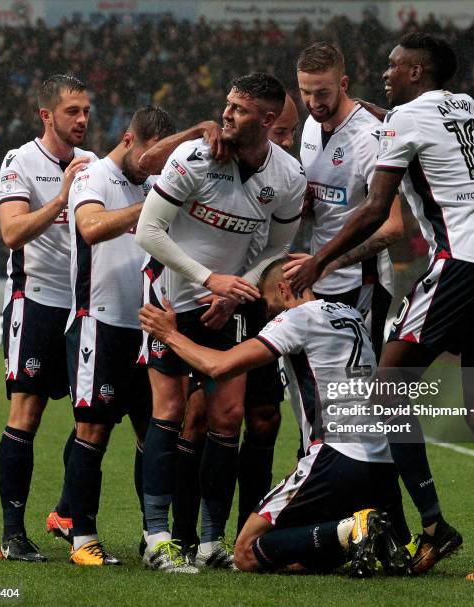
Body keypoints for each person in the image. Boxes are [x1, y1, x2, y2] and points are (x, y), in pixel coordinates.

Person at [291, 33, 474, 582]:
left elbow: (377, 207)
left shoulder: (404, 121)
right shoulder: (462, 104)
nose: (387, 71)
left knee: (384, 391)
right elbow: (408, 121)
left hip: (460, 262)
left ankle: (432, 526)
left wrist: (319, 262)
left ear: (418, 72)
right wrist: (381, 114)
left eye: (396, 65)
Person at [138, 258, 412, 576]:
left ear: (283, 289)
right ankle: (361, 534)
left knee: (245, 553)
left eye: (269, 306)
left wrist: (169, 334)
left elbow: (219, 366)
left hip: (335, 455)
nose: (270, 314)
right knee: (289, 553)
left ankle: (350, 530)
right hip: (380, 461)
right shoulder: (351, 314)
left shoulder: (296, 318)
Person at [134, 73, 307, 571]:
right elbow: (149, 230)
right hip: (173, 300)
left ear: (268, 120)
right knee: (167, 411)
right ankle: (158, 536)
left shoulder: (288, 178)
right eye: (227, 104)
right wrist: (210, 279)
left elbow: (276, 247)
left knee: (228, 416)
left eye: (239, 108)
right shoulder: (194, 158)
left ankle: (211, 542)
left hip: (227, 303)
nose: (226, 114)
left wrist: (234, 293)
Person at [64, 105, 177, 566]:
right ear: (130, 141)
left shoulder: (151, 181)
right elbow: (89, 228)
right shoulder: (95, 177)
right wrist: (146, 208)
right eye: (151, 159)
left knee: (153, 433)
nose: (155, 171)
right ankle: (82, 539)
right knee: (92, 431)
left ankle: (154, 536)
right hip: (99, 321)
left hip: (147, 325)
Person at [0, 75, 94, 562]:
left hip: (84, 308)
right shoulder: (21, 161)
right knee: (27, 413)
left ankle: (64, 513)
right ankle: (13, 535)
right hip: (34, 301)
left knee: (92, 416)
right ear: (46, 115)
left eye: (86, 111)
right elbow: (12, 233)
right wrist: (60, 198)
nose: (82, 120)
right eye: (72, 111)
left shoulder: (94, 164)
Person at [283, 42, 403, 359]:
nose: (312, 102)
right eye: (304, 92)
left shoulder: (371, 138)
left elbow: (392, 227)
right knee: (331, 386)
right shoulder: (309, 126)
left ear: (344, 84)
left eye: (321, 93)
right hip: (319, 275)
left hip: (362, 281)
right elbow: (323, 204)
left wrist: (326, 261)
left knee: (367, 387)